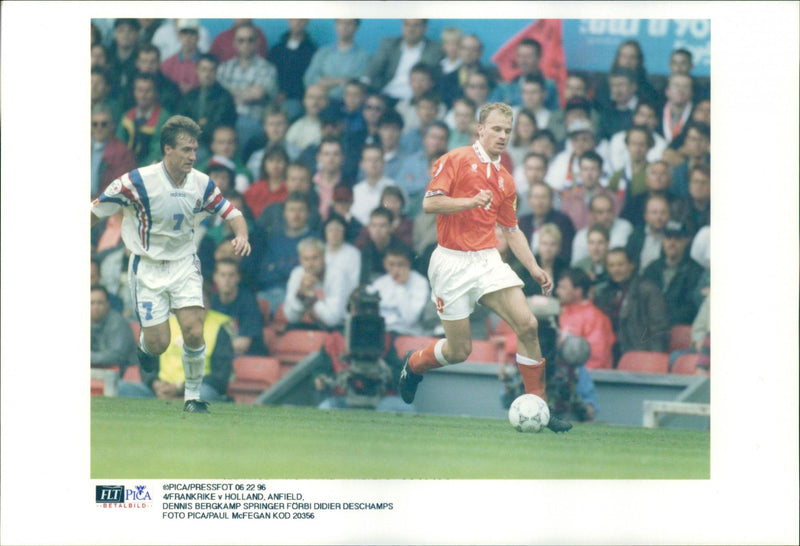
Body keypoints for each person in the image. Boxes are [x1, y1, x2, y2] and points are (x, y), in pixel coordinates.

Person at [397, 102, 572, 433]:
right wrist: (469, 201)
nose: (503, 135)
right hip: (451, 262)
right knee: (459, 350)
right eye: (496, 129)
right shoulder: (456, 159)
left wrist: (533, 267)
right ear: (480, 130)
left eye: (507, 130)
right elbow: (429, 203)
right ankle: (415, 364)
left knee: (528, 324)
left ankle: (540, 407)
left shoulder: (505, 179)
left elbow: (511, 229)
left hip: (488, 259)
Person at [91, 115, 252, 413]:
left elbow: (232, 212)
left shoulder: (201, 183)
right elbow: (96, 210)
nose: (193, 156)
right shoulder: (136, 181)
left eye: (194, 149)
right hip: (148, 267)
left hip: (184, 264)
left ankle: (192, 397)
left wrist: (241, 235)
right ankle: (145, 345)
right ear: (167, 149)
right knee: (159, 343)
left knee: (193, 329)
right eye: (186, 150)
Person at [119, 303, 235, 404]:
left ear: (207, 304)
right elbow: (147, 361)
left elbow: (221, 376)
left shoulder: (218, 329)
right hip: (161, 390)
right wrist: (155, 384)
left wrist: (180, 387)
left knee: (203, 394)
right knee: (123, 388)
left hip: (197, 391)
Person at [593, 247, 670, 363]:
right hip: (611, 355)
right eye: (611, 265)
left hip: (639, 354)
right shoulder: (604, 293)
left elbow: (658, 329)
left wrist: (653, 359)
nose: (616, 270)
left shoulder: (648, 290)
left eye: (620, 265)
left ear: (631, 265)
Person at [252, 191, 320, 313]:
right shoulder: (274, 240)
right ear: (284, 213)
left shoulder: (315, 240)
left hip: (298, 294)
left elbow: (310, 272)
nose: (296, 215)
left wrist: (278, 267)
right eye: (291, 210)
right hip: (270, 292)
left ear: (308, 214)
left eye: (301, 210)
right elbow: (264, 275)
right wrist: (291, 266)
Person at [217, 22, 279, 153]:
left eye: (250, 40)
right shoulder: (225, 67)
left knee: (242, 127)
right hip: (225, 117)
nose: (246, 44)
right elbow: (219, 93)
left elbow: (258, 94)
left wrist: (232, 92)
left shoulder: (267, 68)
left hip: (252, 119)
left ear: (257, 43)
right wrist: (247, 92)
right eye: (241, 40)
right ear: (235, 43)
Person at [641, 220, 704, 326]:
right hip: (649, 326)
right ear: (662, 240)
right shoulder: (651, 269)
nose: (672, 243)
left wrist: (663, 319)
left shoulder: (696, 271)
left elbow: (691, 308)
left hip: (678, 327)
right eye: (668, 238)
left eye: (677, 239)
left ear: (686, 241)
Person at [362, 19, 443, 102]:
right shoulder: (389, 44)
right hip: (388, 95)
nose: (411, 29)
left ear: (424, 28)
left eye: (416, 25)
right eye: (407, 25)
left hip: (418, 100)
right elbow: (373, 68)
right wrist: (362, 85)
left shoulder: (435, 49)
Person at [283, 237, 350, 329]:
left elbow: (333, 320)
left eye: (315, 258)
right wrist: (301, 295)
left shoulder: (338, 275)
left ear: (324, 257)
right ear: (300, 260)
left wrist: (312, 298)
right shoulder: (297, 274)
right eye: (306, 259)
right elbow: (291, 318)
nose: (310, 263)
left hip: (335, 330)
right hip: (306, 328)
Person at [178, 53, 238, 155]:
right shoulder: (190, 96)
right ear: (197, 71)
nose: (207, 74)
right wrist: (201, 123)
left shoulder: (225, 97)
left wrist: (196, 125)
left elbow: (217, 126)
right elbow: (181, 122)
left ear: (216, 72)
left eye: (211, 70)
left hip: (213, 144)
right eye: (203, 70)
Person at [555, 269, 615, 370]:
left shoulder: (596, 317)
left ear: (578, 291)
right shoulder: (559, 312)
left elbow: (598, 357)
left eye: (563, 288)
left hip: (586, 379)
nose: (557, 291)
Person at [367, 241, 430, 336]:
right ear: (385, 264)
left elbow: (410, 320)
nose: (396, 269)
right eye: (391, 264)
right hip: (381, 332)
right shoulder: (380, 283)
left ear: (409, 264)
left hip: (408, 333)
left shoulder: (420, 282)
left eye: (400, 265)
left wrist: (401, 286)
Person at [303, 19, 369, 102]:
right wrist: (339, 81)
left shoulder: (362, 56)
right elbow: (309, 80)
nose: (344, 27)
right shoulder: (323, 52)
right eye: (341, 23)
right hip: (321, 102)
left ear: (356, 27)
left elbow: (356, 86)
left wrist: (324, 81)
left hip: (347, 104)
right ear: (335, 26)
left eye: (349, 24)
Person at [394, 121, 450, 218]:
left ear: (446, 143)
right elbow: (400, 188)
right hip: (410, 215)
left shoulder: (451, 164)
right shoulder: (410, 161)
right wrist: (427, 183)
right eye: (433, 137)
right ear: (425, 139)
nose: (436, 142)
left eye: (441, 139)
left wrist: (415, 183)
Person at [209, 258, 264, 355]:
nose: (227, 280)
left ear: (238, 278)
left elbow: (243, 344)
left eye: (231, 275)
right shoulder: (211, 302)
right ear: (215, 278)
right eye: (222, 275)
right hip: (220, 356)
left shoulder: (248, 302)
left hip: (248, 358)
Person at [116, 73, 171, 167]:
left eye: (148, 91)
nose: (143, 95)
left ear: (155, 93)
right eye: (140, 90)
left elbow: (158, 152)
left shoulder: (164, 119)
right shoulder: (126, 117)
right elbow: (118, 145)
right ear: (134, 92)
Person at [268, 19, 317, 122]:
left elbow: (310, 80)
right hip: (272, 97)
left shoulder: (312, 51)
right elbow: (268, 75)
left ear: (307, 21)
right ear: (288, 20)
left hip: (296, 98)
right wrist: (275, 93)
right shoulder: (276, 49)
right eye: (294, 18)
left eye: (301, 19)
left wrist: (287, 93)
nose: (298, 22)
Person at [517, 181, 575, 263]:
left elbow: (566, 254)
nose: (539, 202)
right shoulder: (523, 222)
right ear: (529, 200)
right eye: (536, 197)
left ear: (552, 200)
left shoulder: (563, 222)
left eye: (543, 197)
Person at [571, 193, 633, 266]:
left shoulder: (625, 228)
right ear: (591, 214)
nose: (606, 216)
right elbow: (576, 266)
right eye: (600, 212)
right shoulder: (581, 237)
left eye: (609, 211)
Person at [496, 38, 559, 111]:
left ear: (539, 58)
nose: (523, 61)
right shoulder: (507, 87)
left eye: (528, 56)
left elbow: (555, 114)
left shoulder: (549, 86)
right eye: (520, 56)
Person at [560, 150, 614, 232]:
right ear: (580, 172)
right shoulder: (569, 201)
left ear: (601, 172)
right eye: (585, 169)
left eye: (593, 169)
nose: (589, 174)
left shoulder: (613, 199)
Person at [91, 104, 137, 198]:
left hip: (104, 205)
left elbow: (119, 188)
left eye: (104, 124)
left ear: (111, 126)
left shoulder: (122, 152)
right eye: (95, 124)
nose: (99, 128)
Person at [607, 101, 666, 175]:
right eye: (642, 115)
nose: (645, 120)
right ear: (634, 117)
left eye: (650, 116)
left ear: (656, 121)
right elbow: (615, 166)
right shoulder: (618, 139)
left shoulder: (662, 144)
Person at [91, 285, 138, 373]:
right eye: (92, 303)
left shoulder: (118, 322)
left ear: (107, 304)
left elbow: (117, 356)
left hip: (123, 374)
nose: (95, 307)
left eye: (100, 303)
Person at [245, 106, 300, 178]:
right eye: (271, 124)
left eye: (279, 124)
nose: (275, 128)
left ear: (287, 126)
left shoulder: (297, 155)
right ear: (265, 127)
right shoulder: (256, 157)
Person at [618, 159, 675, 228]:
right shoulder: (635, 202)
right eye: (654, 173)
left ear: (670, 179)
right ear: (647, 179)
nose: (658, 177)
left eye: (663, 173)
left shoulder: (678, 203)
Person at [351, 144, 397, 226]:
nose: (373, 164)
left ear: (384, 163)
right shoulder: (355, 191)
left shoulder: (393, 188)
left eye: (377, 160)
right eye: (369, 160)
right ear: (362, 164)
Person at [243, 144, 289, 225]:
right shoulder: (254, 189)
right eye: (271, 160)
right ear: (264, 164)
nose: (275, 165)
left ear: (286, 164)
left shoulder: (290, 188)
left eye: (279, 161)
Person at [625, 193, 671, 271]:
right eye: (654, 212)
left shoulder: (673, 237)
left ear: (669, 215)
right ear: (646, 216)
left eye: (663, 212)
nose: (659, 217)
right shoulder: (635, 236)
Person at [132, 43, 183, 113]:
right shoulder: (130, 86)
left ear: (159, 63)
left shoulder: (171, 89)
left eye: (152, 62)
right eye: (144, 62)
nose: (148, 66)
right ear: (137, 63)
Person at [322, 213, 362, 300]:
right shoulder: (320, 251)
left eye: (338, 229)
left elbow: (354, 282)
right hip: (321, 295)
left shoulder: (353, 254)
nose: (334, 233)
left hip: (344, 296)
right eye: (330, 229)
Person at [159, 20, 203, 95]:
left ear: (198, 37)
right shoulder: (168, 64)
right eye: (184, 34)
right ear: (179, 37)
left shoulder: (205, 64)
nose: (188, 38)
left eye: (192, 34)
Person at [670, 162, 710, 239]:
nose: (699, 186)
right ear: (689, 185)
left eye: (703, 182)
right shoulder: (678, 207)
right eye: (695, 182)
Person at [670, 121, 710, 197]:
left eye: (701, 139)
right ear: (686, 141)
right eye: (693, 139)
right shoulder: (678, 172)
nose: (697, 144)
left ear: (708, 142)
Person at [285, 83, 329, 153]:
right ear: (304, 101)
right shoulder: (296, 129)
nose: (315, 102)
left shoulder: (335, 128)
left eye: (320, 98)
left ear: (327, 102)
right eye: (311, 97)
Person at [599, 67, 640, 139]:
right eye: (613, 85)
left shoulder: (642, 108)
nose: (617, 90)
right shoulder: (607, 110)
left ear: (633, 87)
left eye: (621, 85)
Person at [660, 74, 694, 145]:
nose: (680, 90)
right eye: (676, 86)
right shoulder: (656, 112)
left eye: (685, 87)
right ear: (667, 91)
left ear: (691, 93)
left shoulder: (696, 115)